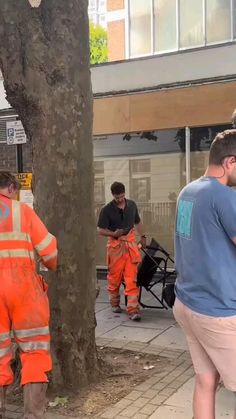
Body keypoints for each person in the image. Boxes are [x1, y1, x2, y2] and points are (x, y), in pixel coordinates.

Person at [173, 130, 236, 419]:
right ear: (230, 162)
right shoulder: (222, 196)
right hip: (216, 312)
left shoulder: (188, 191)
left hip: (186, 304)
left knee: (205, 380)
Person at [0, 172, 57, 419]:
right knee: (34, 351)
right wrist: (49, 263)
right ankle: (33, 414)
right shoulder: (22, 211)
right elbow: (49, 251)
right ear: (11, 188)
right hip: (24, 289)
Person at [97, 182, 146, 321]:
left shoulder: (132, 205)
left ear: (125, 193)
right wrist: (113, 233)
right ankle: (114, 303)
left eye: (122, 196)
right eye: (117, 197)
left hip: (130, 246)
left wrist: (143, 236)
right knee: (114, 278)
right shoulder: (106, 210)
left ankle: (133, 309)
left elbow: (138, 222)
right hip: (115, 247)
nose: (120, 199)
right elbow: (100, 230)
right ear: (113, 195)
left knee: (132, 279)